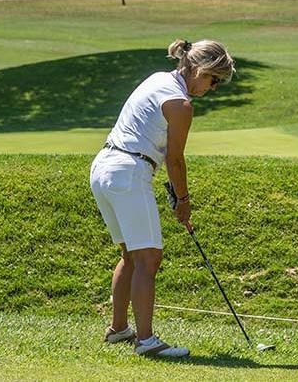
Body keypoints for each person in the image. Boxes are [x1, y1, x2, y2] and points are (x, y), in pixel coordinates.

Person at [89, 38, 235, 358]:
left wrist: (177, 197)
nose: (212, 88)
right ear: (199, 69)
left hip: (104, 168)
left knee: (130, 254)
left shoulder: (157, 78)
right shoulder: (181, 105)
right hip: (128, 172)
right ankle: (146, 341)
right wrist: (183, 200)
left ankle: (118, 329)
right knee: (149, 258)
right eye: (213, 80)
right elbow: (175, 160)